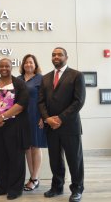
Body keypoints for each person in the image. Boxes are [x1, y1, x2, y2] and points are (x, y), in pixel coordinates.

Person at [38, 47, 86, 202]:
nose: (56, 56)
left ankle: (77, 189)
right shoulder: (45, 78)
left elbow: (78, 101)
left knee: (74, 160)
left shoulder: (76, 75)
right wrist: (47, 119)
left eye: (59, 54)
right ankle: (57, 187)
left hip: (69, 126)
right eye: (53, 54)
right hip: (51, 127)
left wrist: (59, 118)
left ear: (66, 57)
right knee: (55, 160)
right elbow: (41, 102)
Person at [0, 58, 30, 200]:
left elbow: (22, 104)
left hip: (14, 127)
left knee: (16, 158)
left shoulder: (19, 84)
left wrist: (2, 117)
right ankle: (2, 187)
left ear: (11, 67)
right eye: (1, 66)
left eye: (7, 66)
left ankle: (15, 189)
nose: (4, 68)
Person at [18, 54, 47, 191]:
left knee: (36, 146)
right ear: (23, 65)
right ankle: (32, 177)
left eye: (31, 62)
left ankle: (34, 178)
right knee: (27, 148)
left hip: (36, 116)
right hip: (21, 117)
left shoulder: (41, 79)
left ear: (35, 65)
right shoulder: (18, 79)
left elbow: (45, 99)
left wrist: (43, 117)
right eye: (26, 62)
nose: (28, 65)